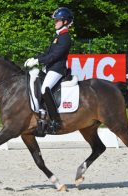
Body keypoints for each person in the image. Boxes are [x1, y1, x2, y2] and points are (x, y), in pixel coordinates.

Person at [24, 7, 74, 136]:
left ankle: (55, 120)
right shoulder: (57, 37)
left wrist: (39, 62)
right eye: (55, 20)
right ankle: (41, 112)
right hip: (50, 68)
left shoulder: (65, 37)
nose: (55, 22)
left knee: (45, 88)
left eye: (57, 20)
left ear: (65, 21)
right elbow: (47, 54)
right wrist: (35, 58)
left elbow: (55, 56)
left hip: (57, 69)